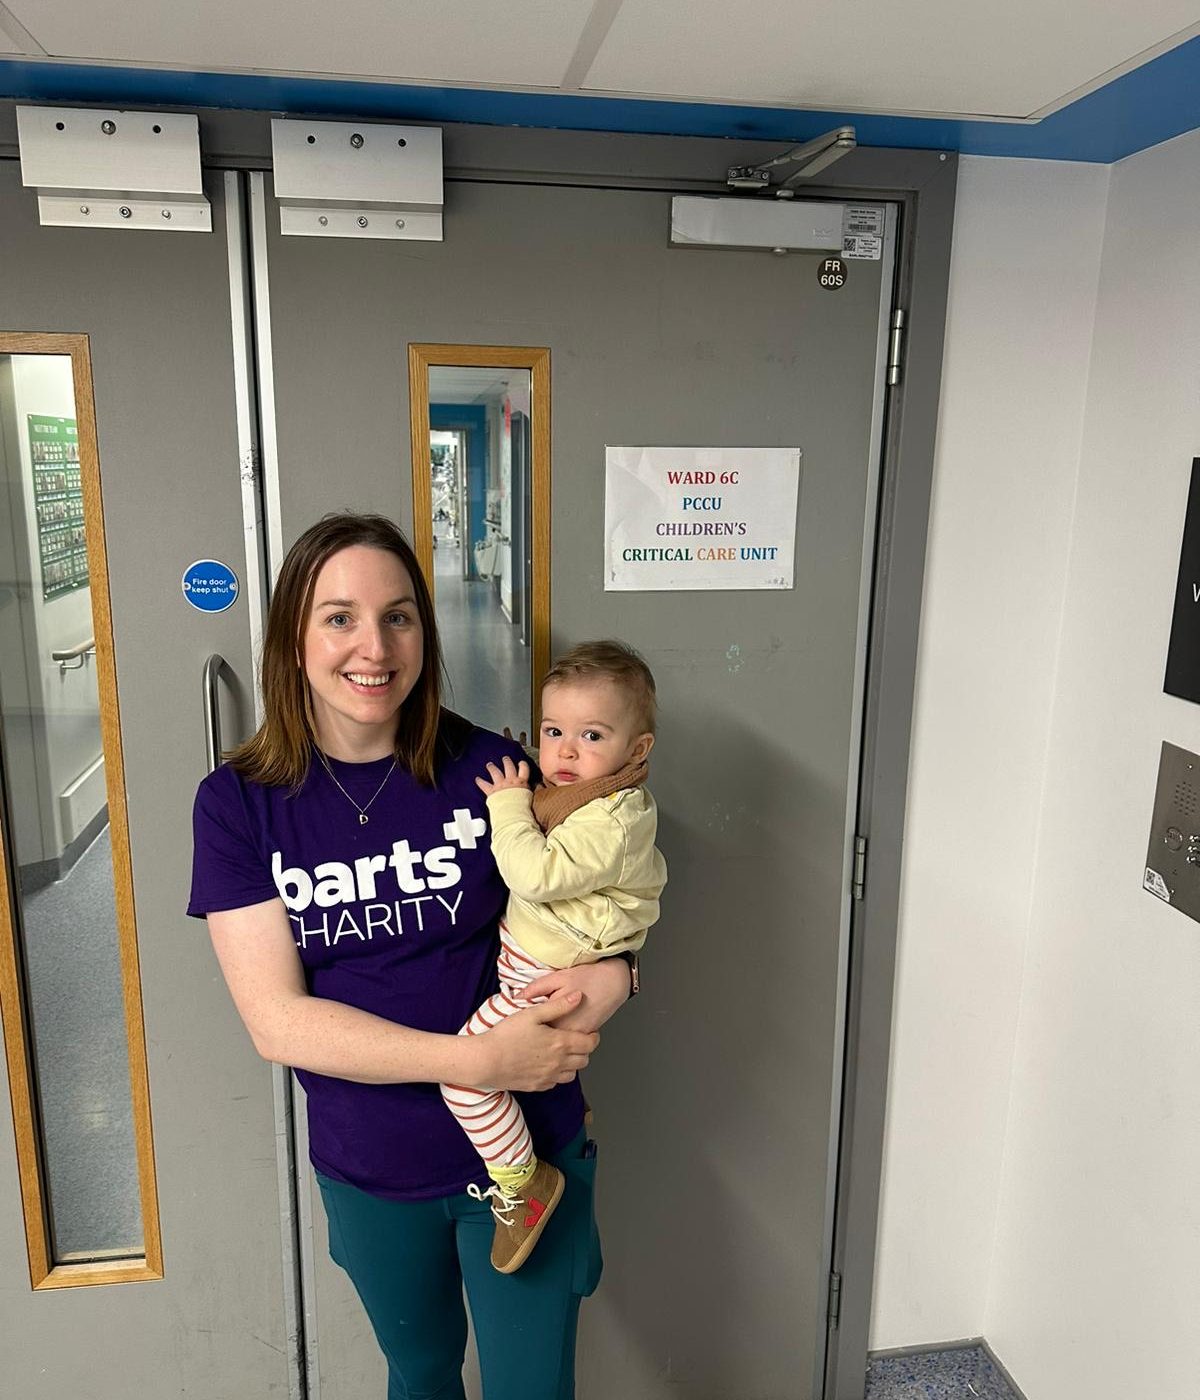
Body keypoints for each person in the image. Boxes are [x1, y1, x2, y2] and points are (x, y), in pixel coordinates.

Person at [187, 513, 633, 1400]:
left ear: (424, 632)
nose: (374, 646)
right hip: (374, 1166)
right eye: (339, 616)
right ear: (294, 637)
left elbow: (601, 899)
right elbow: (277, 1021)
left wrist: (617, 976)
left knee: (530, 1389)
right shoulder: (238, 806)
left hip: (530, 1160)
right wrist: (475, 1060)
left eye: (398, 616)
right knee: (421, 1375)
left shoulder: (499, 773)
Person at [443, 641, 666, 1274]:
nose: (565, 752)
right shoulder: (584, 794)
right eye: (553, 731)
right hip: (539, 964)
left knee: (463, 1073)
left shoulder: (613, 820)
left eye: (591, 735)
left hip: (549, 981)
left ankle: (521, 1179)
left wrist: (507, 804)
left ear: (637, 750)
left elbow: (535, 873)